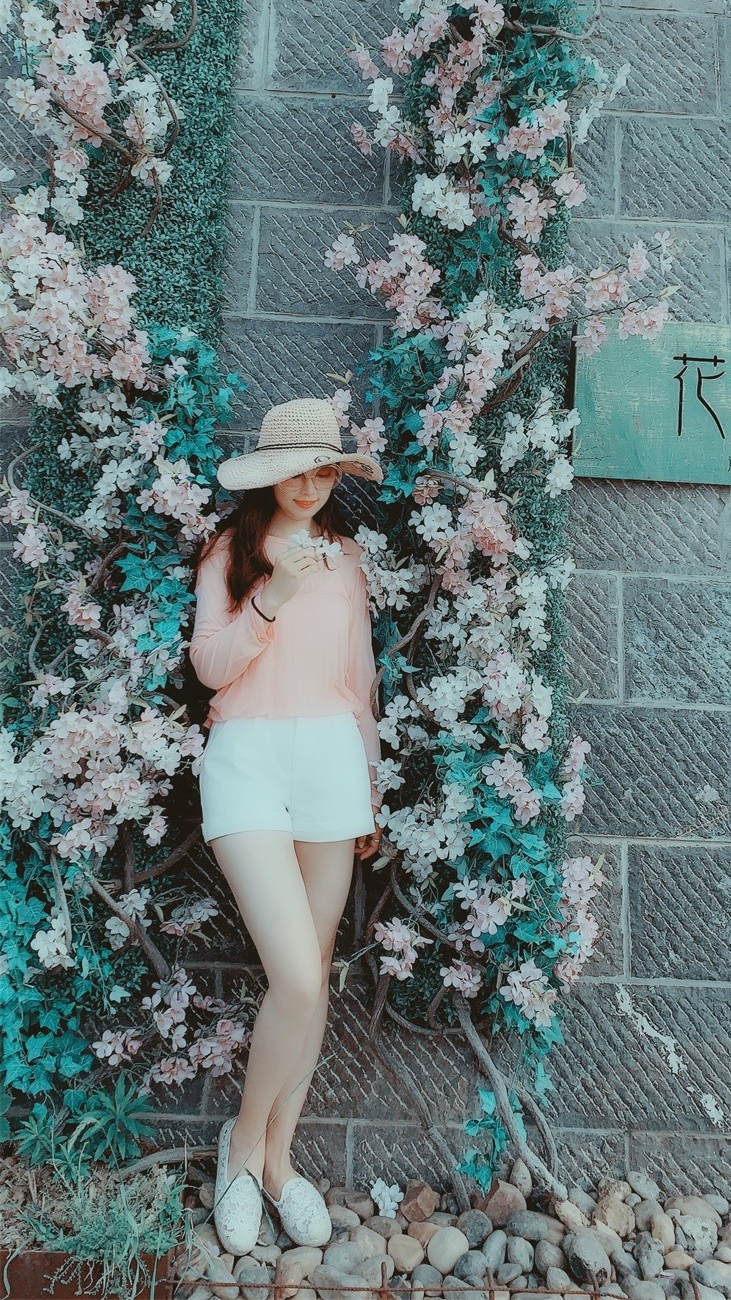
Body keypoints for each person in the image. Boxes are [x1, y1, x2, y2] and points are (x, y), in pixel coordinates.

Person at [188, 396, 385, 1257]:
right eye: (298, 469)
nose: (311, 484)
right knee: (297, 977)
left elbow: (359, 679)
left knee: (317, 971)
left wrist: (369, 780)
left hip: (332, 762)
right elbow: (210, 665)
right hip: (248, 761)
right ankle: (241, 1144)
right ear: (270, 474)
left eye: (325, 469)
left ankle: (275, 1160)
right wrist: (275, 595)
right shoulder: (230, 552)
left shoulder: (349, 558)